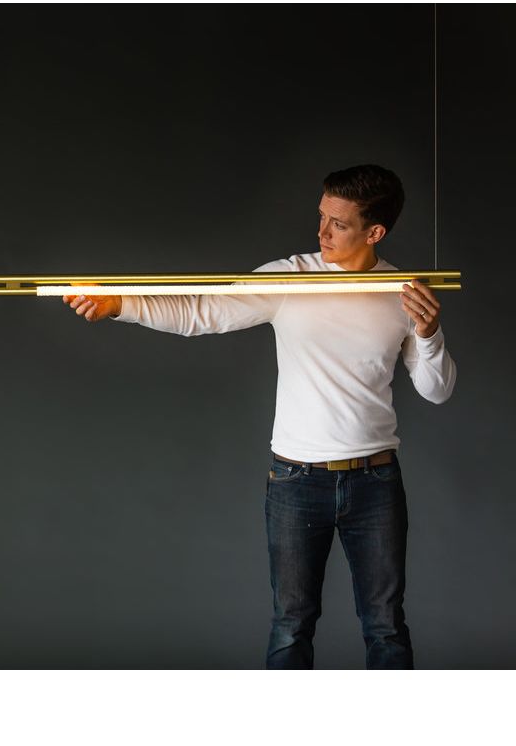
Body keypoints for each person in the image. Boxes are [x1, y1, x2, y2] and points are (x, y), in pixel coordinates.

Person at [63, 164, 457, 669]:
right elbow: (201, 313)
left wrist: (429, 334)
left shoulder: (403, 293)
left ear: (374, 232)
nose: (322, 232)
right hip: (296, 480)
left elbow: (437, 391)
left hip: (375, 482)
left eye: (338, 223)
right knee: (291, 625)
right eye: (321, 216)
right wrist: (119, 303)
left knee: (386, 625)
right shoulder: (290, 277)